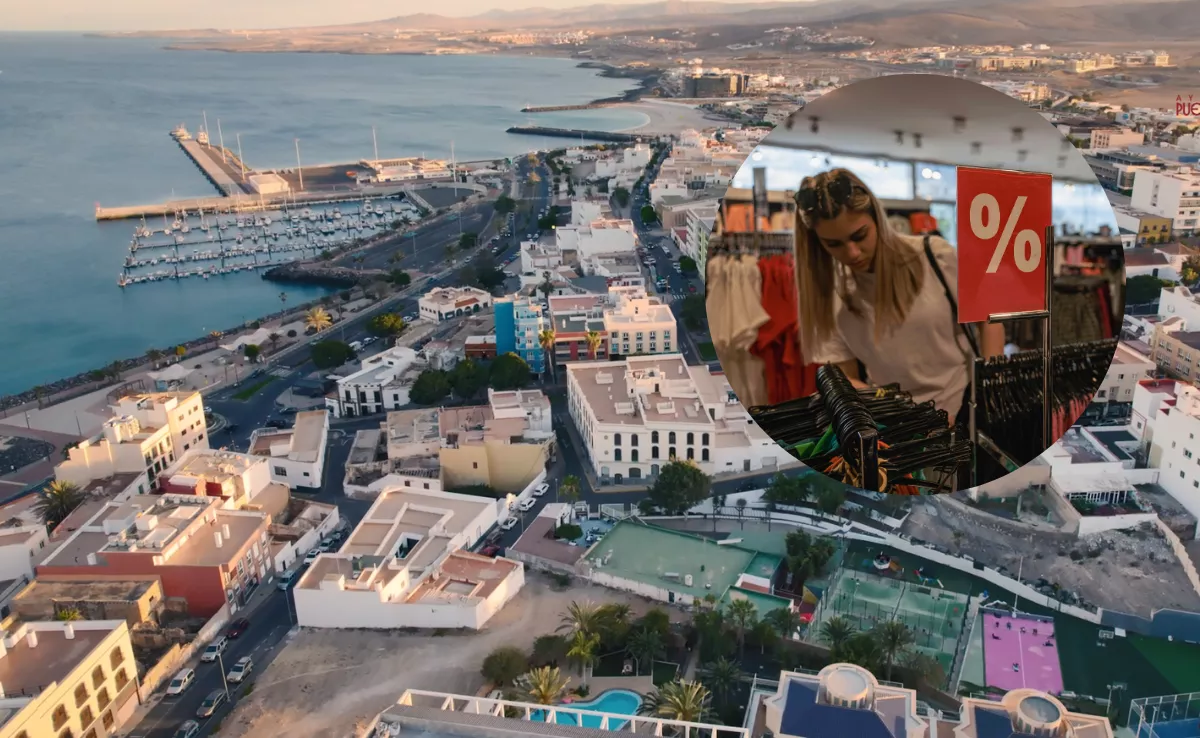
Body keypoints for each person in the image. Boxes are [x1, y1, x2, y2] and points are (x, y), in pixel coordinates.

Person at [794, 169, 1006, 428]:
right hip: (896, 425)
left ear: (877, 220)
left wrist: (990, 388)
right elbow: (847, 378)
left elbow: (990, 320)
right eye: (833, 244)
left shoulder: (935, 257)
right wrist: (903, 415)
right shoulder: (829, 296)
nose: (852, 252)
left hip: (967, 412)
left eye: (860, 236)